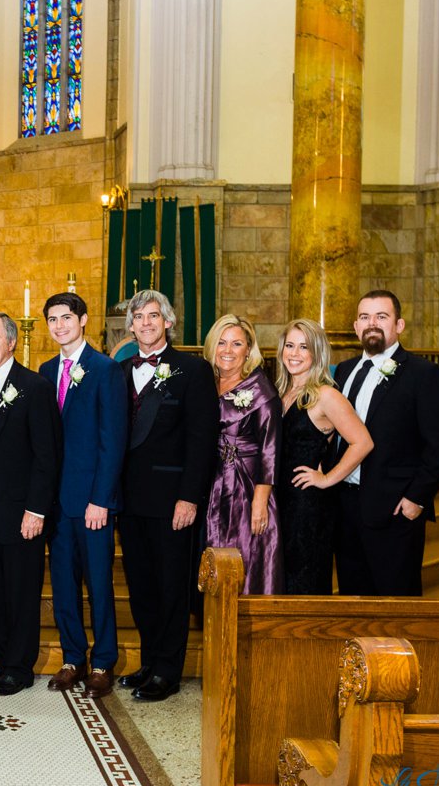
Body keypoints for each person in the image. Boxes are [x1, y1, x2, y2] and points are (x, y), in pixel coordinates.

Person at [118, 289, 218, 702]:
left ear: (169, 322)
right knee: (141, 586)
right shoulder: (119, 371)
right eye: (139, 316)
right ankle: (148, 662)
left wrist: (189, 497)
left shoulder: (193, 370)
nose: (145, 322)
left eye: (153, 315)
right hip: (128, 499)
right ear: (131, 326)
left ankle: (167, 671)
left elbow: (202, 439)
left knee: (172, 586)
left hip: (172, 500)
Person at [333, 290, 439, 596]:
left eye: (382, 316)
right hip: (345, 506)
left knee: (396, 598)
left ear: (399, 325)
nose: (372, 323)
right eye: (365, 317)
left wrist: (416, 499)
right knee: (352, 594)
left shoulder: (424, 374)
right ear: (356, 327)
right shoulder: (345, 371)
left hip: (394, 510)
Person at [36, 292, 128, 699]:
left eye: (66, 318)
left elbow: (113, 440)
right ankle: (73, 657)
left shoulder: (105, 369)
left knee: (99, 585)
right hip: (56, 502)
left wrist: (101, 499)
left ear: (84, 320)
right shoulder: (45, 370)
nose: (59, 326)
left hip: (92, 502)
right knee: (63, 586)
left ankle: (104, 662)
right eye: (53, 319)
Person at [0, 312, 62, 696]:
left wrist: (36, 510)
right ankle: (0, 656)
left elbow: (47, 455)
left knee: (21, 590)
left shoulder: (34, 387)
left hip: (22, 509)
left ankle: (19, 668)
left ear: (11, 342)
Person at [276, 319, 374, 595]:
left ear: (317, 353)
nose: (294, 353)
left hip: (307, 505)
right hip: (280, 499)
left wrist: (328, 478)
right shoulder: (282, 392)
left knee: (304, 581)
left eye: (303, 347)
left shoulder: (326, 395)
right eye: (290, 346)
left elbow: (362, 442)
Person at [202, 314, 283, 594]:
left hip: (245, 487)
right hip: (211, 482)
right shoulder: (206, 382)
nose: (228, 350)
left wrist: (260, 501)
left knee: (245, 555)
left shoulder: (261, 390)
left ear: (248, 349)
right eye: (221, 342)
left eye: (236, 344)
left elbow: (270, 448)